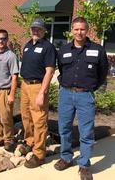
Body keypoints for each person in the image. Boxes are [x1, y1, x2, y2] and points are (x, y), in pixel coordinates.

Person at [55, 17, 108, 180]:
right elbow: (61, 71)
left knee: (86, 132)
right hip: (65, 94)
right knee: (64, 128)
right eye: (76, 29)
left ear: (87, 30)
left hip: (85, 95)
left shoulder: (97, 49)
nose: (79, 32)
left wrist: (90, 88)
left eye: (82, 29)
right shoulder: (63, 50)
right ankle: (66, 157)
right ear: (72, 30)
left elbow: (103, 73)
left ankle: (84, 165)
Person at [19, 18, 57, 168]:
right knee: (26, 116)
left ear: (44, 31)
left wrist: (42, 92)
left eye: (38, 29)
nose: (35, 31)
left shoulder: (48, 47)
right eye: (33, 28)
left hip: (37, 87)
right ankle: (30, 141)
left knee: (39, 120)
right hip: (25, 85)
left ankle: (39, 154)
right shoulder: (28, 45)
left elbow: (49, 71)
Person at [0, 29, 19, 152]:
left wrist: (12, 94)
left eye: (3, 39)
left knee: (6, 117)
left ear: (7, 40)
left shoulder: (11, 56)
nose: (1, 41)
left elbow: (14, 76)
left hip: (4, 91)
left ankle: (8, 139)